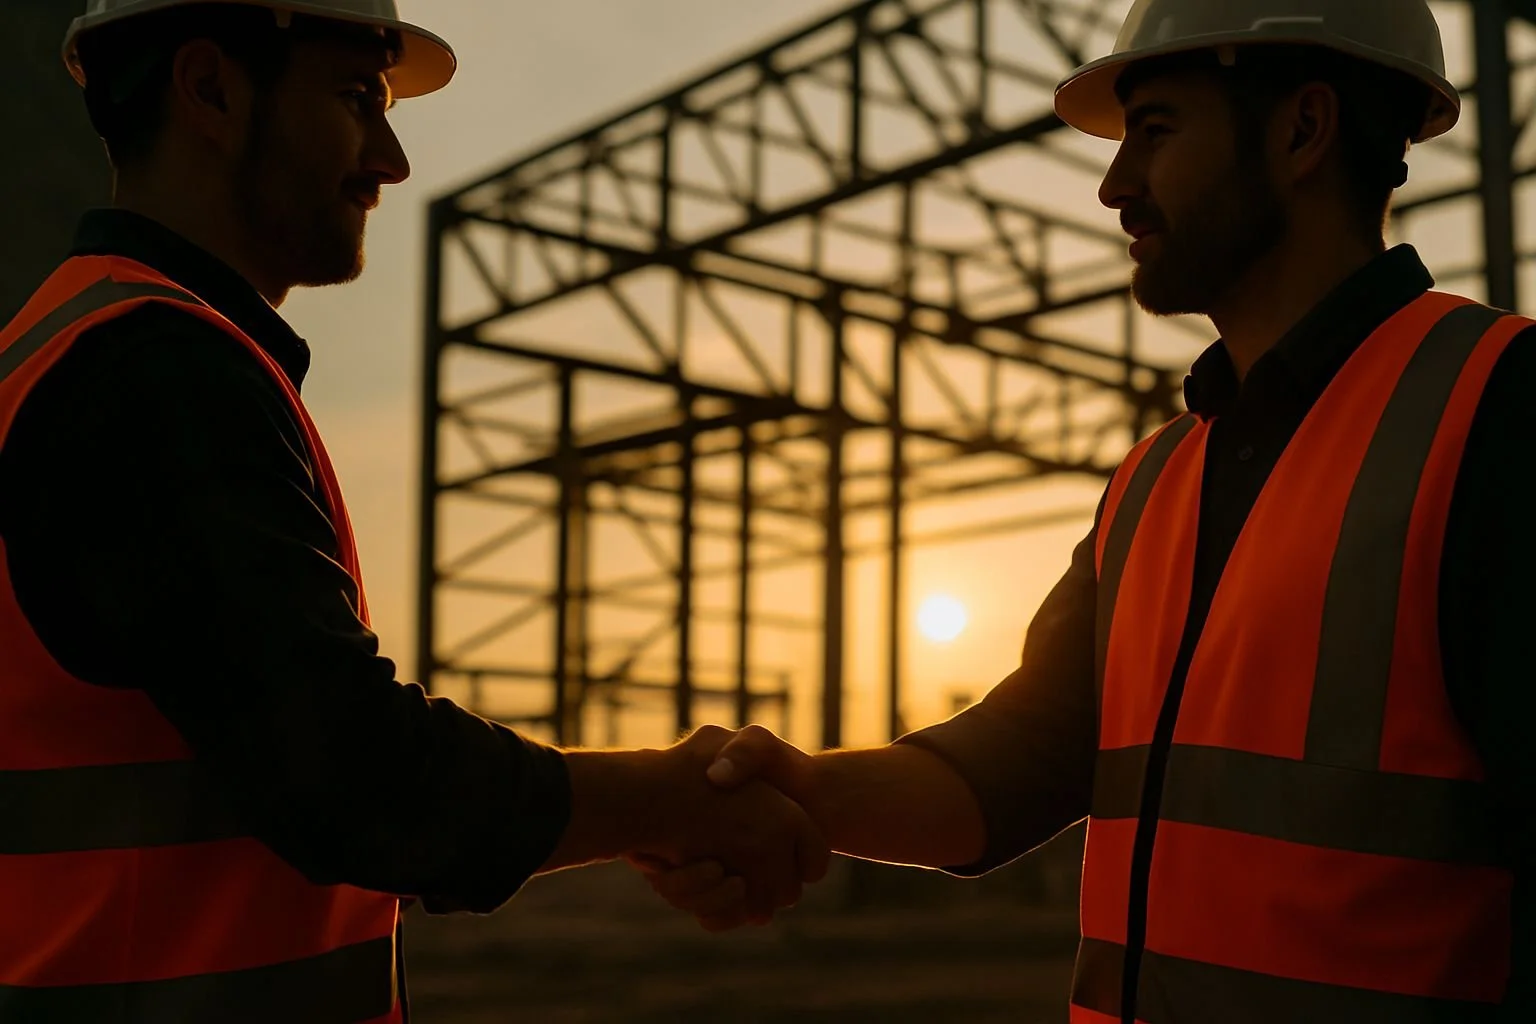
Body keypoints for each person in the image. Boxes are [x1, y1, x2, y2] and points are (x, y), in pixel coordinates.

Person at [645, 0, 1536, 1019]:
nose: (1114, 186)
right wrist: (797, 793)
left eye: (1154, 131)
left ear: (1303, 128)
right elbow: (1020, 760)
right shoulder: (1156, 479)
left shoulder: (1498, 415)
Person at [0, 2, 826, 1020]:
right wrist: (662, 793)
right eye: (358, 101)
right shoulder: (156, 378)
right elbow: (359, 777)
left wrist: (633, 806)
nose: (389, 160)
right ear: (210, 88)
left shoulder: (71, 351)